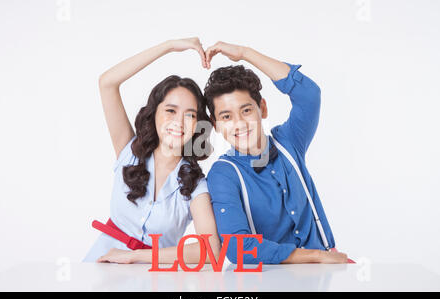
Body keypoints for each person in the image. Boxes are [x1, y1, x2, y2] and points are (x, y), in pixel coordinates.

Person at [204, 41, 352, 264]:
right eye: (226, 117)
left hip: (326, 272)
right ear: (215, 125)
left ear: (262, 108)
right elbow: (237, 248)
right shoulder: (223, 174)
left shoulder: (289, 141)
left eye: (246, 110)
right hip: (269, 279)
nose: (239, 124)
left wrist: (246, 53)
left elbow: (308, 94)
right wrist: (315, 256)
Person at [83, 38, 221, 264]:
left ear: (198, 125)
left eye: (190, 115)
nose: (179, 121)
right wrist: (169, 47)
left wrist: (136, 256)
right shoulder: (129, 150)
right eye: (170, 110)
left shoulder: (195, 184)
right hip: (100, 269)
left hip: (154, 279)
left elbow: (211, 250)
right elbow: (107, 82)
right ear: (153, 113)